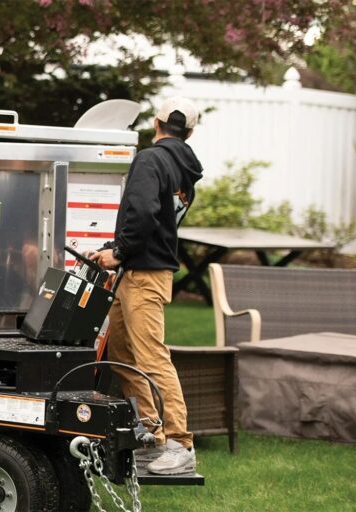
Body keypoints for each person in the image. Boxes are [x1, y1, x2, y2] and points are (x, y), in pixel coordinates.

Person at [88, 96, 204, 475]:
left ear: (156, 122)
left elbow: (142, 213)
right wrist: (111, 249)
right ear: (190, 131)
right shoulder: (184, 171)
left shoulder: (150, 159)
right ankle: (151, 437)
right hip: (143, 270)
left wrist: (119, 252)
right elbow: (159, 221)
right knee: (121, 354)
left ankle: (180, 443)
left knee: (152, 356)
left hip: (143, 275)